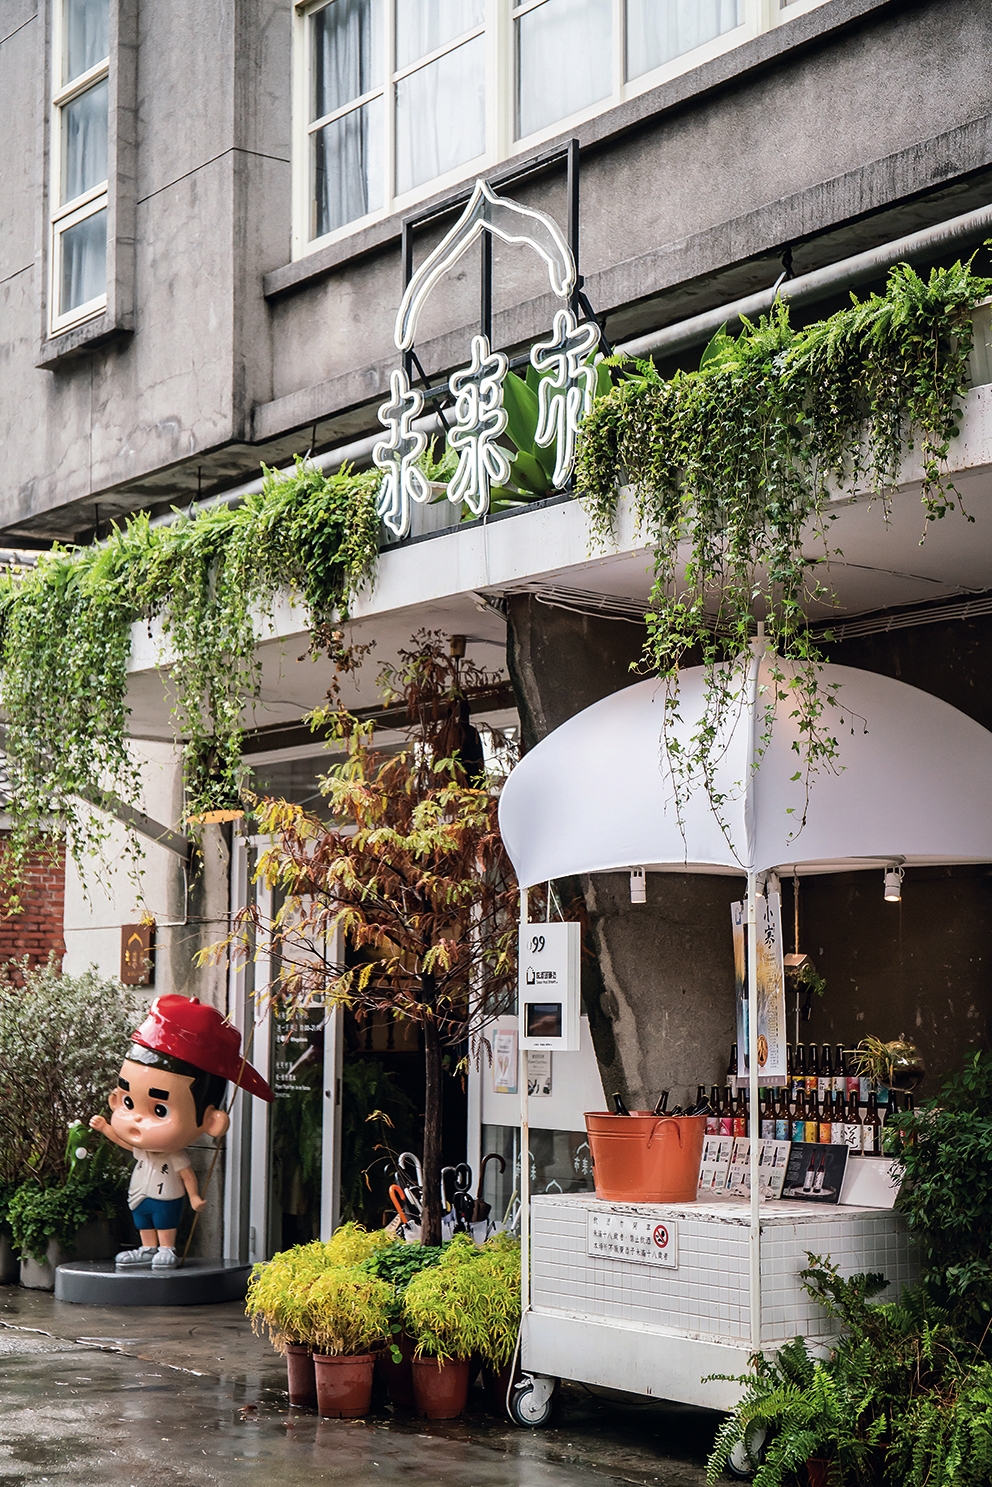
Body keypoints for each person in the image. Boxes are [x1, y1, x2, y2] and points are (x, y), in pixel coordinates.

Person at [90, 995, 273, 1269]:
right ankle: (148, 1248)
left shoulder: (174, 1155)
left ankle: (166, 1248)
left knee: (164, 1219)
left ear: (212, 1122)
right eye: (128, 1102)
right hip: (140, 1193)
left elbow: (187, 1175)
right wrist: (106, 1128)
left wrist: (195, 1196)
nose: (136, 1120)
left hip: (166, 1195)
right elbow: (128, 1146)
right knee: (142, 1218)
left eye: (160, 1110)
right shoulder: (145, 1149)